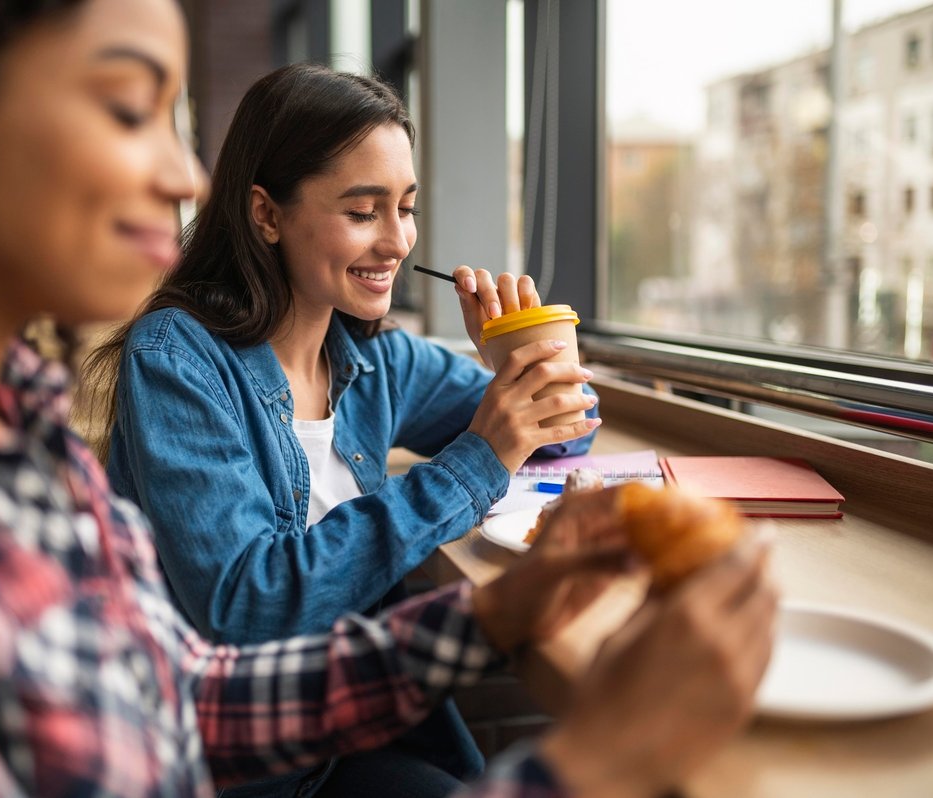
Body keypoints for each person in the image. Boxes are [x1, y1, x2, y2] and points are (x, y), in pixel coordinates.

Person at [0, 1, 778, 797]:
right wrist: (598, 765)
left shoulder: (30, 435)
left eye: (406, 209)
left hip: (317, 730)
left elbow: (181, 697)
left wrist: (502, 590)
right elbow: (243, 613)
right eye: (127, 109)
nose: (182, 175)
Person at [87, 63, 601, 795]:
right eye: (364, 212)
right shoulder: (176, 360)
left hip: (359, 734)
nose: (398, 241)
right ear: (266, 215)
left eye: (407, 208)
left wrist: (516, 347)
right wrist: (478, 458)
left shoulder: (375, 358)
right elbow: (247, 607)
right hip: (245, 773)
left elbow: (567, 431)